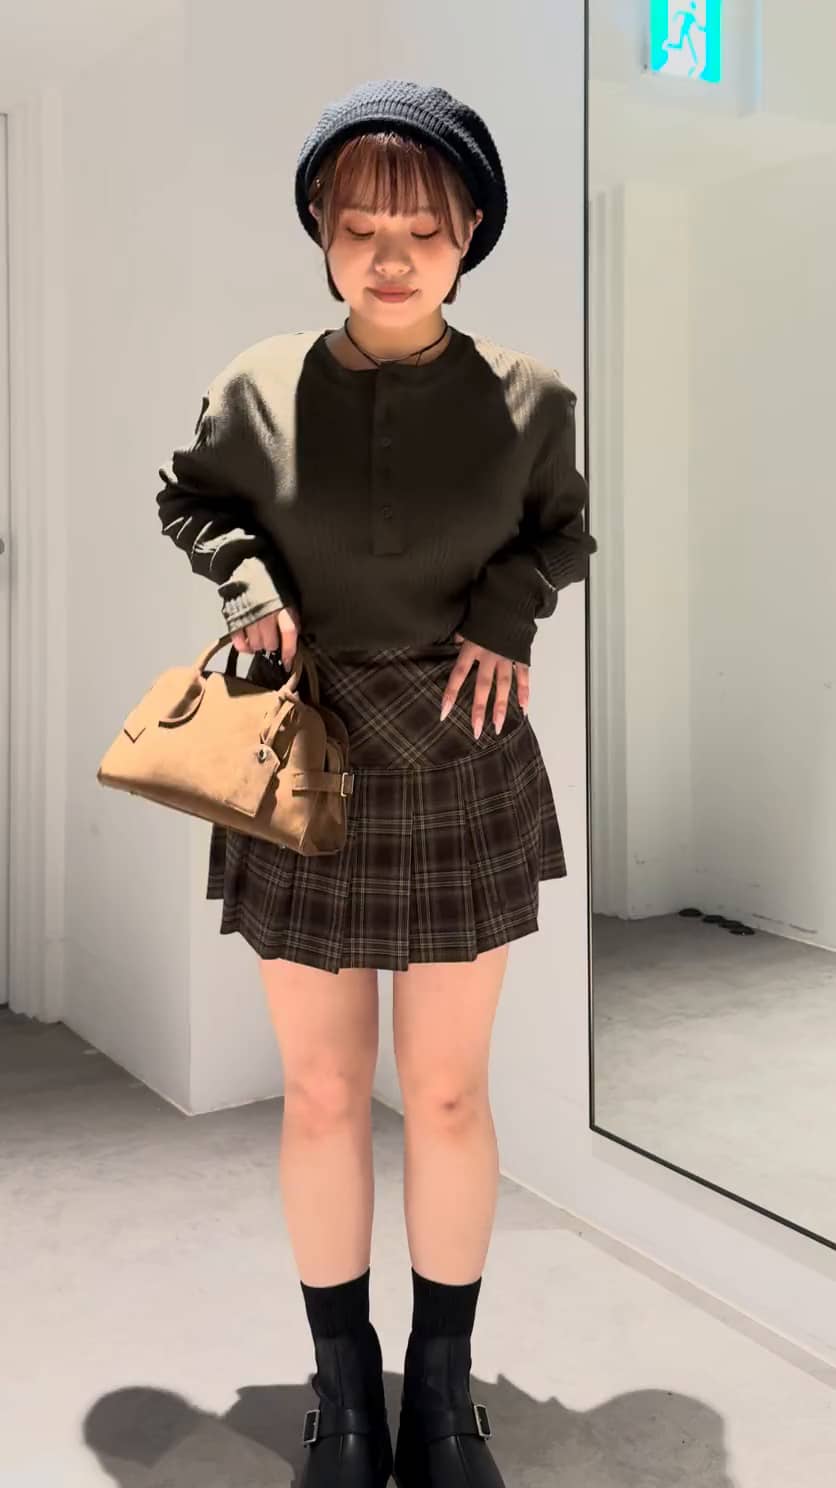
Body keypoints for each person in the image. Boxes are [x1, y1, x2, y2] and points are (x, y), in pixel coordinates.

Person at [156, 78, 597, 1488]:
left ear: (471, 233)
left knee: (450, 1097)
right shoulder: (256, 384)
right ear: (322, 231)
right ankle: (344, 1394)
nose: (390, 256)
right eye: (360, 226)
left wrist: (508, 612)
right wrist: (248, 590)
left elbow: (564, 532)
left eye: (422, 227)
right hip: (308, 749)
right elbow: (191, 498)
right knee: (322, 1091)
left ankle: (442, 1396)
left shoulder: (531, 398)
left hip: (463, 748)